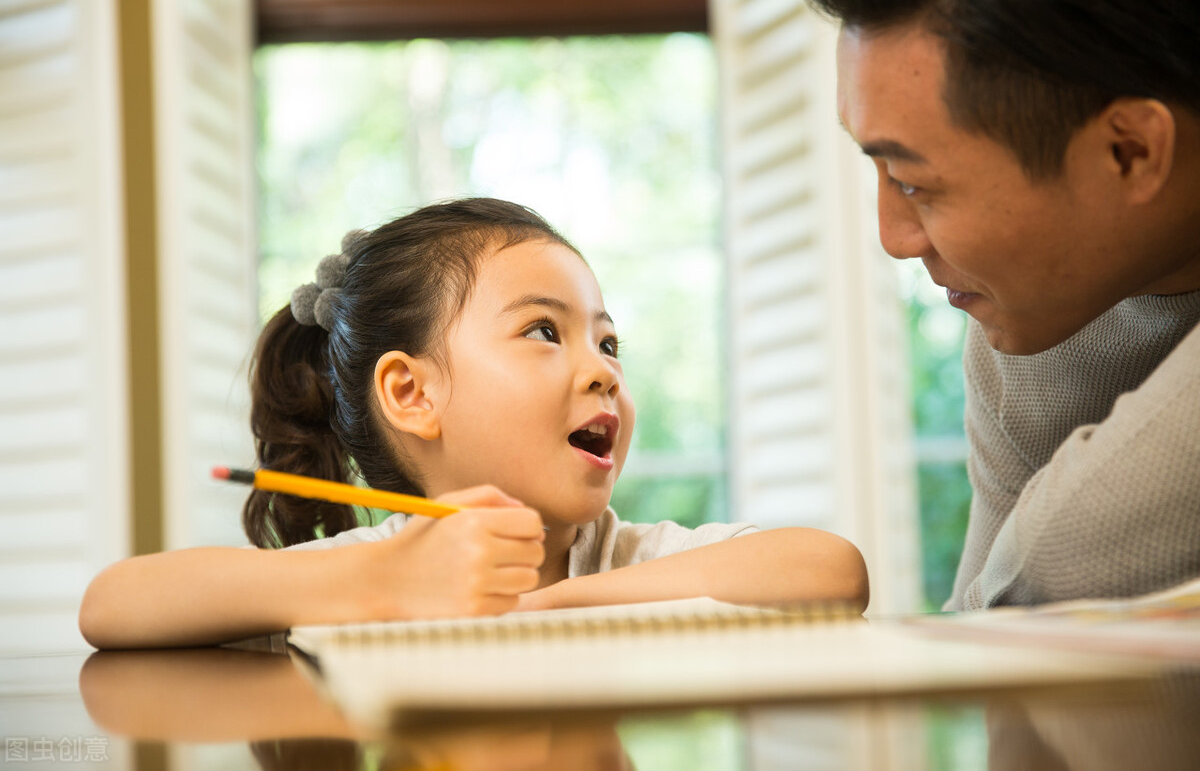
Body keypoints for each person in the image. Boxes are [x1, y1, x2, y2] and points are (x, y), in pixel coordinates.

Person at [79, 198, 868, 649]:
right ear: (412, 393)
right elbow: (113, 605)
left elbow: (830, 571)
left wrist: (543, 609)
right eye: (543, 332)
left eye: (608, 341)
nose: (605, 370)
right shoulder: (379, 571)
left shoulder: (625, 562)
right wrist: (382, 584)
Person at [791, 0, 1200, 609]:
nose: (894, 238)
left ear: (1131, 151)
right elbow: (984, 636)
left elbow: (1055, 561)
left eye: (911, 181)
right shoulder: (1027, 332)